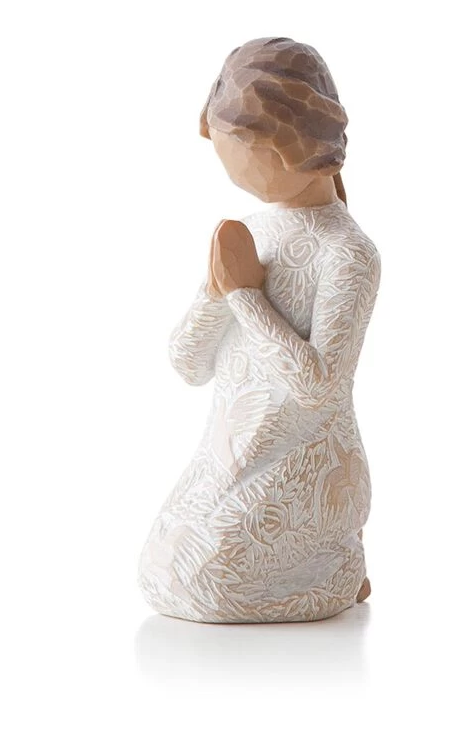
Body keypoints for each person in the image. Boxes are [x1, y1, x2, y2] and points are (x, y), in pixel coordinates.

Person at [138, 37, 381, 622]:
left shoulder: (347, 253)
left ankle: (337, 568)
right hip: (231, 453)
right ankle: (319, 568)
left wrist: (246, 296)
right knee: (161, 574)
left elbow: (319, 388)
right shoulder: (253, 231)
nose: (231, 173)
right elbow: (188, 363)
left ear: (289, 144)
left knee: (207, 584)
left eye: (238, 153)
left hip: (302, 458)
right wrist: (215, 290)